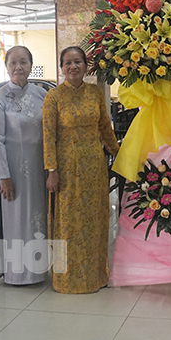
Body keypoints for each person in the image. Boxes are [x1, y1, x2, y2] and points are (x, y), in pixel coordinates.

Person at [43, 46, 120, 294]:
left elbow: (105, 127)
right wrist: (51, 169)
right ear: (61, 68)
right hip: (65, 167)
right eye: (68, 63)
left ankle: (96, 275)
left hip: (94, 166)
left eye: (78, 62)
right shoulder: (53, 97)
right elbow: (48, 136)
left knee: (95, 220)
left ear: (86, 66)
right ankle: (68, 279)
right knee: (68, 222)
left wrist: (119, 154)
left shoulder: (95, 93)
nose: (73, 66)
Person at [0, 45, 48, 286]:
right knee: (16, 217)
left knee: (38, 217)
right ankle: (16, 273)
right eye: (13, 63)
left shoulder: (42, 94)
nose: (18, 67)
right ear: (6, 67)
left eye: (23, 62)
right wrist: (3, 175)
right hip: (12, 169)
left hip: (39, 167)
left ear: (31, 66)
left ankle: (39, 270)